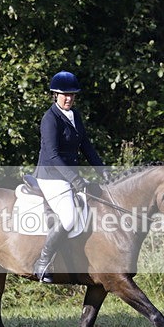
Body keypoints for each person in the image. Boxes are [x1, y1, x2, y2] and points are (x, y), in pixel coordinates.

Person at [33, 70, 109, 282]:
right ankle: (43, 261)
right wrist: (75, 179)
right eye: (64, 94)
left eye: (72, 94)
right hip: (50, 176)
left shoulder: (75, 115)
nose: (69, 98)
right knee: (69, 217)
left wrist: (102, 170)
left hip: (67, 176)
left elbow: (85, 145)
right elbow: (52, 154)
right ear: (55, 95)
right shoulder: (50, 119)